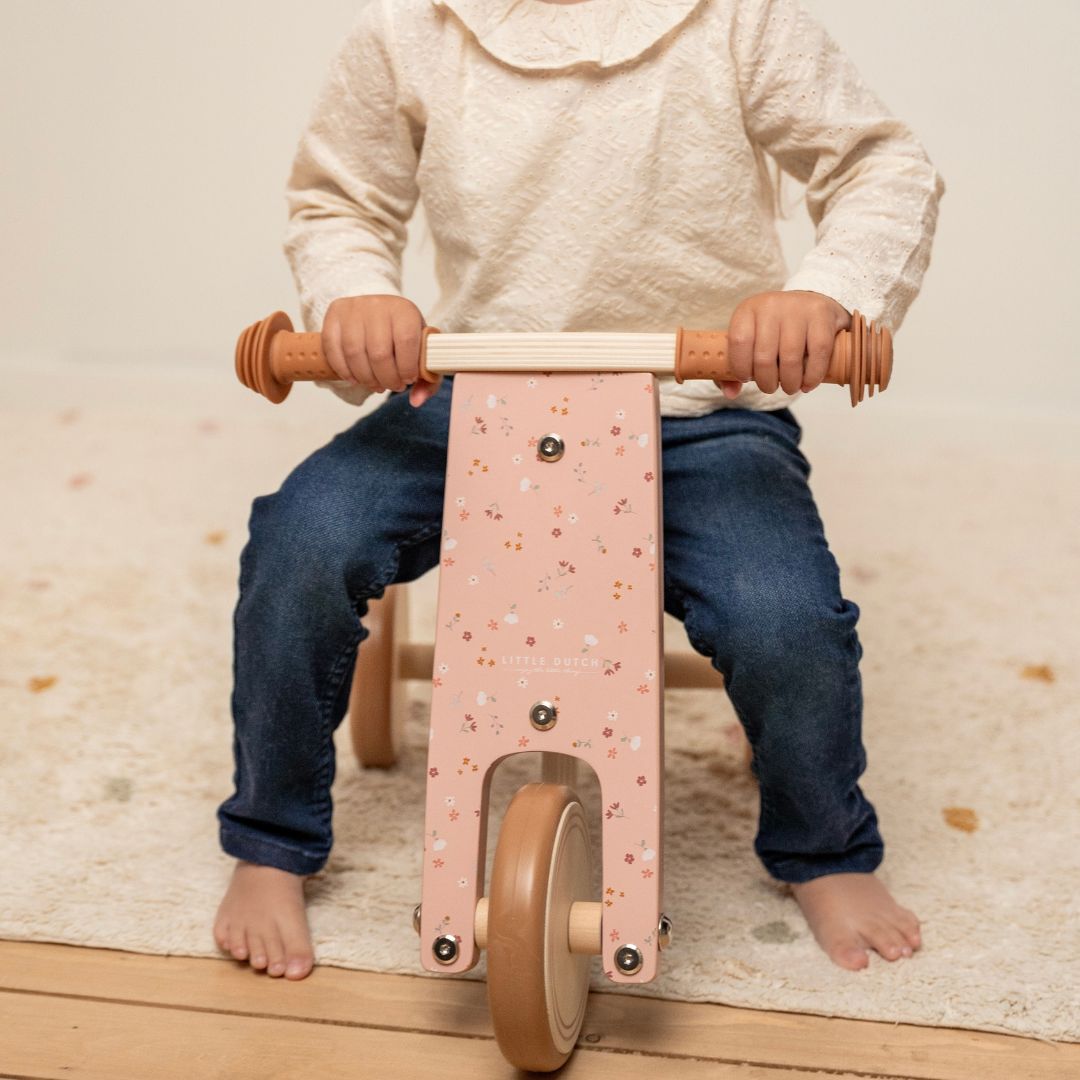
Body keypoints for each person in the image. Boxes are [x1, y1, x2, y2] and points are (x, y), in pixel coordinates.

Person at [214, 0, 945, 980]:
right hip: (472, 389)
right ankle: (269, 840)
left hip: (697, 403)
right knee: (302, 541)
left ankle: (824, 847)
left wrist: (826, 293)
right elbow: (341, 198)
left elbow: (882, 166)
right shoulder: (411, 29)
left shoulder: (743, 22)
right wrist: (355, 294)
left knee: (784, 618)